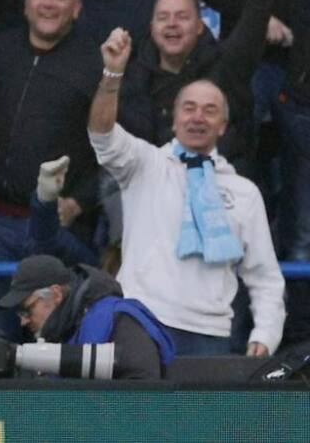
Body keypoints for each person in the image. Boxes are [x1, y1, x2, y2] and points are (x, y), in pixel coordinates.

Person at [89, 28, 286, 356]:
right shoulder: (146, 165)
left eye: (210, 111)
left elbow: (264, 274)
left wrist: (266, 333)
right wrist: (112, 74)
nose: (198, 117)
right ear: (175, 119)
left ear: (223, 125)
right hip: (141, 322)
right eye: (189, 108)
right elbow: (102, 135)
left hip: (210, 335)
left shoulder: (244, 191)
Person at [0, 0, 103, 333]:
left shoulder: (96, 63)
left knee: (61, 330)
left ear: (76, 8)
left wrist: (82, 200)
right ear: (26, 3)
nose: (48, 4)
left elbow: (117, 146)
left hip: (61, 226)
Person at [119, 0, 272, 174]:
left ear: (200, 26)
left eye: (182, 17)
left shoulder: (225, 65)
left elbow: (250, 34)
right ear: (152, 28)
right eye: (163, 17)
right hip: (155, 184)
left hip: (223, 182)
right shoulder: (134, 76)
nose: (172, 24)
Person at [0, 254, 175, 379]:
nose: (23, 321)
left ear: (56, 294)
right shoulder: (61, 330)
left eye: (27, 310)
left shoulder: (118, 318)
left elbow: (145, 385)